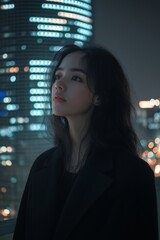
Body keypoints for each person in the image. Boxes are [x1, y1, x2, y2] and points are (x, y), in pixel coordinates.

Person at [13, 44, 159, 240]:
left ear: (100, 96)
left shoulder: (133, 174)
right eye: (58, 76)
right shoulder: (41, 166)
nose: (59, 85)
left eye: (76, 78)